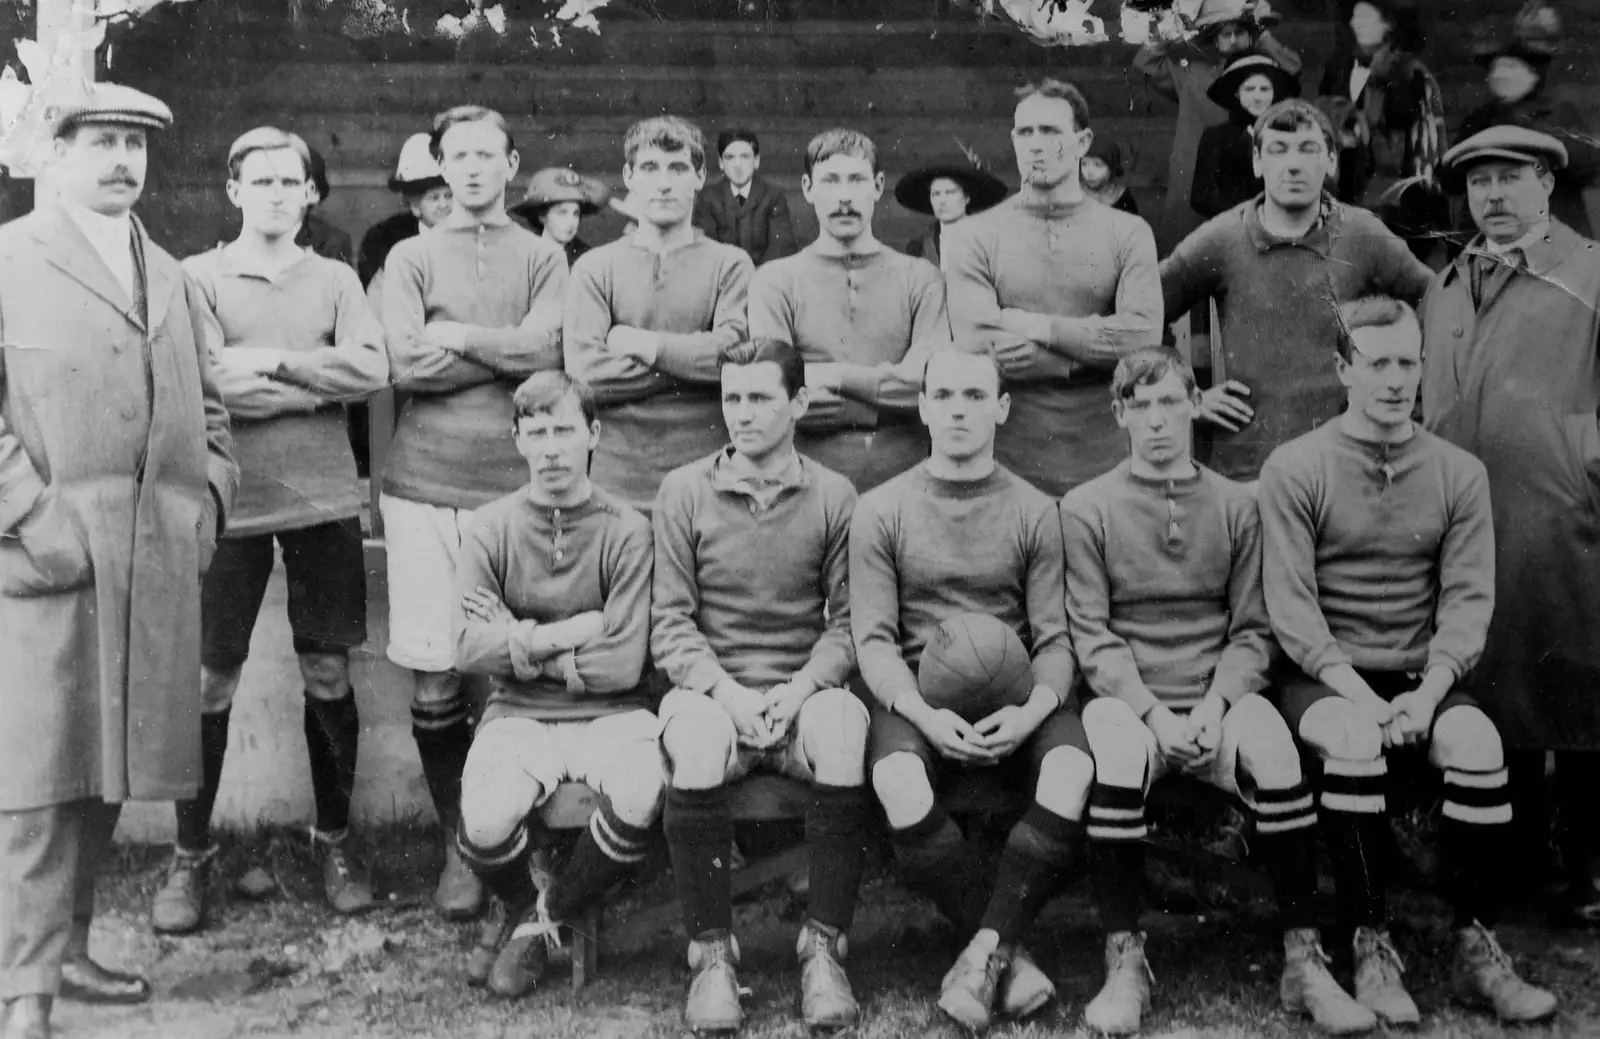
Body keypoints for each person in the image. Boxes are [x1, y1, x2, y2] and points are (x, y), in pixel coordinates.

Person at [0, 84, 238, 1039]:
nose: (121, 161)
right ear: (54, 154)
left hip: (149, 563)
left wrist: (208, 506)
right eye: (100, 141)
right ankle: (25, 990)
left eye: (135, 144)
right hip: (43, 558)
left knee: (109, 771)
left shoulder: (173, 275)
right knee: (34, 781)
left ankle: (74, 951)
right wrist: (28, 514)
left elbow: (211, 410)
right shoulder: (9, 259)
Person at [1262, 296, 1558, 1027]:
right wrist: (1359, 695)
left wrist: (1428, 696)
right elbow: (1293, 610)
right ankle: (1371, 942)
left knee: (1480, 741)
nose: (1395, 379)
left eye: (1407, 362)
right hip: (1325, 676)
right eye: (1376, 363)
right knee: (1356, 739)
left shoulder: (1457, 471)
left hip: (1421, 676)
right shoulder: (1298, 465)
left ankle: (1474, 947)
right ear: (1343, 369)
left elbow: (1466, 602)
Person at [1066, 348, 1370, 1036]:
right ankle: (1125, 960)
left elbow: (1254, 629)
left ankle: (1304, 959)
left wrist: (1213, 705)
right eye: (1139, 406)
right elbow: (1092, 635)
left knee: (1278, 750)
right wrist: (1152, 713)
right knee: (1114, 754)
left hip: (1215, 698)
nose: (1157, 420)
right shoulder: (1086, 508)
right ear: (1119, 415)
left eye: (1170, 402)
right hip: (1133, 700)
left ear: (1194, 405)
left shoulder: (1239, 504)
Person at [148, 126, 389, 934]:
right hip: (229, 495)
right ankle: (191, 856)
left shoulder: (336, 278)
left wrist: (275, 364)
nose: (280, 195)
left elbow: (371, 369)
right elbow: (209, 382)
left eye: (294, 183)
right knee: (211, 676)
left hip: (321, 493)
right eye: (264, 182)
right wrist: (314, 376)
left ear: (312, 193)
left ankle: (335, 841)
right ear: (234, 190)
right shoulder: (199, 275)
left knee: (327, 670)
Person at [855, 347, 1091, 1032]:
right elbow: (873, 638)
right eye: (945, 395)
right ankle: (1003, 952)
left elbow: (1054, 637)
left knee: (1073, 767)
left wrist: (1033, 712)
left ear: (1001, 407)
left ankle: (984, 950)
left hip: (1018, 697)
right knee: (899, 778)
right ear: (923, 406)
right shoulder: (882, 508)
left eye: (974, 395)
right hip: (921, 700)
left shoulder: (1035, 509)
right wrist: (923, 715)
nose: (959, 408)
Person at [379, 105, 568, 922]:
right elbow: (403, 362)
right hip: (423, 481)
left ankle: (515, 839)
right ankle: (463, 842)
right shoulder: (409, 254)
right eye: (458, 156)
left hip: (515, 488)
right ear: (441, 165)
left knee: (509, 665)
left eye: (489, 154)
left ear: (512, 162)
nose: (474, 169)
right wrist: (496, 346)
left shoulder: (544, 254)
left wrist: (452, 335)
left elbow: (547, 353)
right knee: (435, 667)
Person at [653, 340, 869, 1031]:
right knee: (691, 737)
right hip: (720, 695)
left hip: (799, 696)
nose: (740, 414)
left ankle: (823, 948)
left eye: (759, 398)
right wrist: (727, 692)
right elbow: (672, 625)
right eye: (731, 398)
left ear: (799, 403)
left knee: (842, 728)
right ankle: (713, 954)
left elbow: (847, 623)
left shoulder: (835, 494)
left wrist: (804, 686)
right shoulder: (683, 490)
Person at [1421, 125, 1600, 925]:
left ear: (1546, 186)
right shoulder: (1450, 280)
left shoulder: (1589, 273)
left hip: (1566, 513)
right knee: (1500, 685)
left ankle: (1589, 871)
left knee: (1581, 686)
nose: (1491, 196)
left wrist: (1582, 462)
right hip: (1472, 520)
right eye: (1477, 182)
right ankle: (1521, 862)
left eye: (1508, 179)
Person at [451, 371, 659, 1000]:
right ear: (516, 440)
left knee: (645, 786)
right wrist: (560, 635)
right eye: (535, 432)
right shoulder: (489, 527)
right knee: (483, 821)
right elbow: (465, 647)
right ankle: (525, 902)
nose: (550, 448)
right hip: (519, 711)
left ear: (592, 434)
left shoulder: (628, 529)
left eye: (564, 430)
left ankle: (542, 920)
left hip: (613, 711)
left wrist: (513, 638)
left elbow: (623, 662)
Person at [1160, 99, 1431, 483]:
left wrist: (1405, 396)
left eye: (1308, 149)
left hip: (1346, 472)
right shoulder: (1222, 237)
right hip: (1249, 472)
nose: (1293, 164)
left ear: (1332, 161)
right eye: (1277, 149)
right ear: (1257, 162)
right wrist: (1186, 396)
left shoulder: (1362, 234)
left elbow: (1439, 306)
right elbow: (1142, 310)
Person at [945, 78, 1162, 498]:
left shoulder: (1128, 232)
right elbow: (977, 344)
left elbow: (1141, 339)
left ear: (1082, 142)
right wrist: (1091, 353)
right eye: (1025, 133)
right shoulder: (975, 235)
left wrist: (1038, 327)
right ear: (1012, 140)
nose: (1036, 145)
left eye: (1051, 132)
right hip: (1009, 463)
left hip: (1108, 460)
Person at [564, 116, 754, 516]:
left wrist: (644, 344)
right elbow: (585, 374)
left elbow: (735, 359)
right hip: (617, 482)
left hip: (710, 483)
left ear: (701, 176)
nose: (664, 183)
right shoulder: (595, 268)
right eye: (650, 168)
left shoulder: (731, 265)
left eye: (678, 168)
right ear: (629, 176)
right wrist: (690, 361)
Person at [750, 129, 947, 492]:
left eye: (856, 180)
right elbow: (776, 397)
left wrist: (832, 375)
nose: (844, 197)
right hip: (805, 487)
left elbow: (929, 387)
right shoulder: (774, 281)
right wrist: (879, 400)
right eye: (830, 181)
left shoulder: (921, 279)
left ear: (878, 185)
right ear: (808, 188)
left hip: (907, 482)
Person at [1132, 0, 1301, 255]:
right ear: (1214, 37)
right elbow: (1146, 64)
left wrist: (1262, 34)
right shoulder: (1192, 73)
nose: (1233, 40)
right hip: (1195, 177)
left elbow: (1293, 68)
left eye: (1240, 32)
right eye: (1225, 33)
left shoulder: (1263, 74)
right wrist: (1169, 30)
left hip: (1246, 177)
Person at [1316, 0, 1449, 254]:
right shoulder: (1339, 66)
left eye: (1367, 18)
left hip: (1391, 188)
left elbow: (1405, 124)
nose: (1357, 24)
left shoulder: (1408, 71)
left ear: (1388, 24)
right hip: (1344, 177)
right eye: (1355, 17)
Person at [1459, 3, 1596, 239]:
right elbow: (1453, 177)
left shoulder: (1558, 115)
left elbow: (1588, 165)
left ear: (1533, 76)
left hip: (1555, 241)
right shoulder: (1480, 120)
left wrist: (1530, 131)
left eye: (1510, 66)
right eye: (1495, 68)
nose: (1499, 75)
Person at [209, 144, 354, 268]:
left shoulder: (332, 243)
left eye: (290, 183)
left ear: (313, 192)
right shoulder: (230, 237)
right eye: (265, 183)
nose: (277, 195)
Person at [1191, 54, 1299, 219]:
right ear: (1237, 94)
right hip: (1233, 228)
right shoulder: (1217, 137)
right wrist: (1249, 216)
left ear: (1274, 94)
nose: (1257, 97)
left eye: (1264, 89)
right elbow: (1202, 196)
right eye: (1249, 89)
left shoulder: (1287, 135)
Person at [357, 132, 453, 289]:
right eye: (434, 198)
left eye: (449, 196)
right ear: (415, 206)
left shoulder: (471, 236)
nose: (444, 204)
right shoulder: (386, 240)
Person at [693, 128, 798, 266]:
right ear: (720, 163)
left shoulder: (773, 197)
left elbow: (781, 246)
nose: (737, 165)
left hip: (764, 279)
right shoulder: (708, 198)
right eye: (730, 158)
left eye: (745, 157)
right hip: (723, 279)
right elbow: (706, 247)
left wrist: (759, 278)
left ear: (756, 161)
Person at [893, 153, 1009, 268]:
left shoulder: (989, 242)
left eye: (950, 192)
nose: (942, 200)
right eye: (936, 194)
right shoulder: (918, 247)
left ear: (967, 197)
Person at [510, 166, 611, 269]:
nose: (571, 222)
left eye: (575, 214)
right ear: (542, 216)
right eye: (563, 212)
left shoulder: (588, 260)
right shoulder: (521, 255)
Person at [1079, 136, 1140, 216]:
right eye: (1084, 164)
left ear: (1111, 169)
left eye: (1098, 165)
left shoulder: (1122, 199)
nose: (1089, 172)